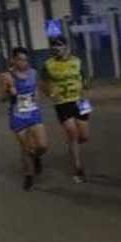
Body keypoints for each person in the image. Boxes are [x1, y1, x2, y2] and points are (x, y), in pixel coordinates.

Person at [40, 35, 91, 181]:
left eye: (59, 45)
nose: (55, 47)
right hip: (62, 103)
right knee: (73, 134)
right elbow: (43, 84)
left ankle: (72, 144)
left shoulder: (77, 61)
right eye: (53, 45)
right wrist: (50, 94)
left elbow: (86, 78)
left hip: (81, 102)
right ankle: (78, 169)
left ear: (66, 47)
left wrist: (86, 85)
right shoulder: (48, 64)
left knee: (85, 136)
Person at [0, 47, 47, 191]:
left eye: (26, 60)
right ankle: (28, 176)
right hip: (18, 115)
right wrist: (9, 92)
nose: (23, 63)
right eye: (20, 59)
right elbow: (2, 98)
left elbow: (36, 89)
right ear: (13, 60)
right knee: (25, 148)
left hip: (33, 112)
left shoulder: (33, 72)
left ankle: (36, 157)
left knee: (42, 146)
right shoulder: (6, 77)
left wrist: (36, 95)